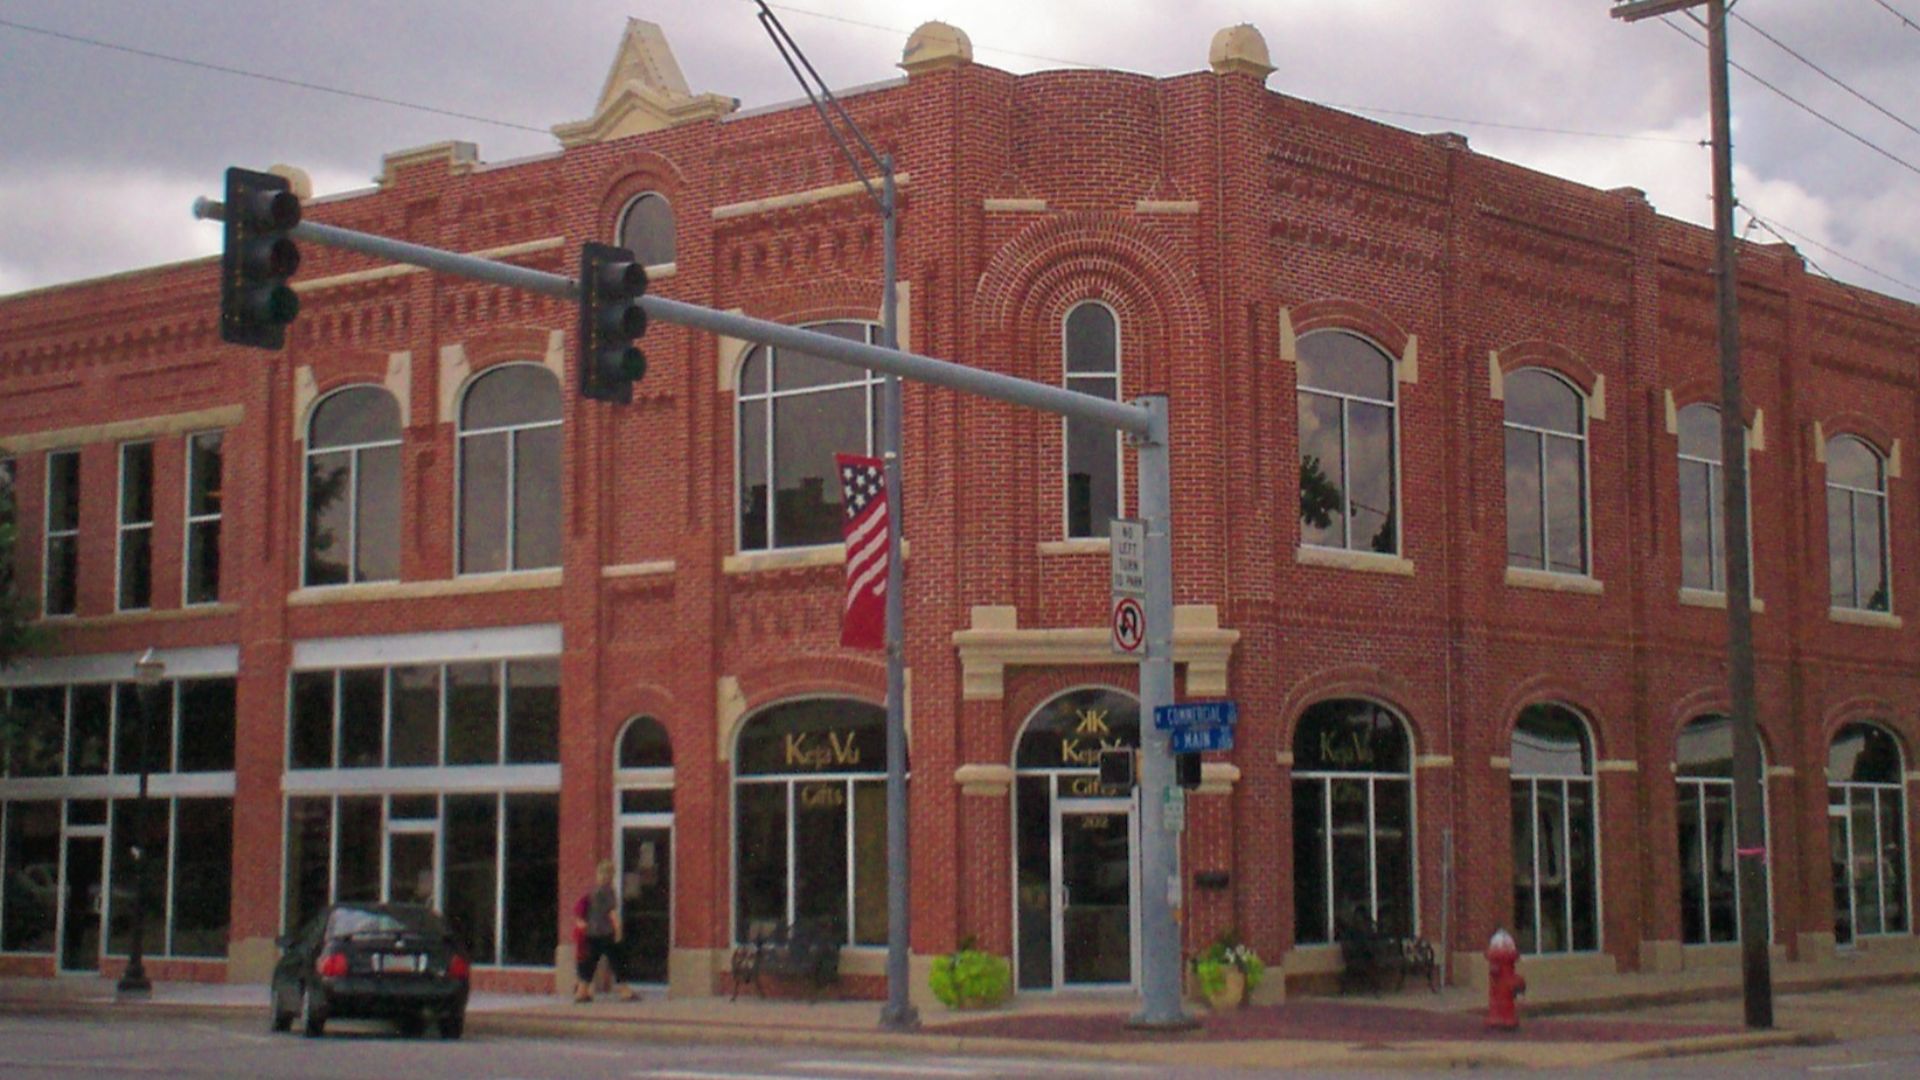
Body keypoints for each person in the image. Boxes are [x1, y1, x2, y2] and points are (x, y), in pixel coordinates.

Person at [573, 859, 637, 1003]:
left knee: (589, 962)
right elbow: (612, 913)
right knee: (618, 961)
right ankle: (625, 991)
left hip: (591, 933)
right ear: (612, 875)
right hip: (607, 932)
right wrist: (618, 930)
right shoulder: (609, 892)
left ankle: (582, 992)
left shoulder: (592, 892)